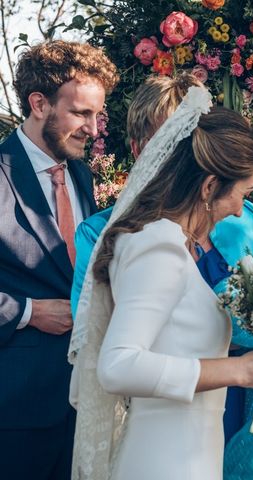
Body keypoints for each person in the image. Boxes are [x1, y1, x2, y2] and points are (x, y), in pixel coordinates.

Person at [70, 74, 253, 480]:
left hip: (193, 453)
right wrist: (242, 370)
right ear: (209, 185)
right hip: (164, 460)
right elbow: (117, 366)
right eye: (243, 193)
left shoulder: (174, 240)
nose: (240, 210)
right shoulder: (159, 244)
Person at [0, 40, 118, 479]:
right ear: (39, 104)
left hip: (83, 404)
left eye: (97, 114)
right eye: (81, 113)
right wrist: (27, 312)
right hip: (13, 413)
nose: (94, 127)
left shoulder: (81, 175)